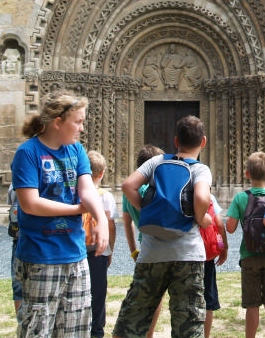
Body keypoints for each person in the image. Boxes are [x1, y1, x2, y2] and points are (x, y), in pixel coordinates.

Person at [12, 91, 109, 338]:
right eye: (78, 122)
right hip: (41, 256)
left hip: (75, 255)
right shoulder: (28, 152)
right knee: (37, 330)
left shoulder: (76, 151)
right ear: (58, 122)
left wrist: (100, 219)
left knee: (76, 330)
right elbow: (30, 203)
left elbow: (87, 190)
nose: (82, 128)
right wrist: (76, 210)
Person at [112, 115, 211, 338]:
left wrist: (146, 209)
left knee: (131, 320)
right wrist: (201, 217)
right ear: (203, 142)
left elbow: (127, 185)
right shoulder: (200, 169)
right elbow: (202, 197)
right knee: (188, 324)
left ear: (176, 141)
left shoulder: (157, 161)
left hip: (152, 253)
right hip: (187, 253)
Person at [226, 152, 265, 338]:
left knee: (252, 305)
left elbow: (230, 228)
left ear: (247, 174)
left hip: (249, 256)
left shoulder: (240, 198)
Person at [121, 145, 165, 338]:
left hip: (144, 246)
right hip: (165, 245)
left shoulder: (131, 191)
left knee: (144, 293)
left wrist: (133, 250)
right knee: (159, 295)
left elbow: (127, 222)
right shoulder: (157, 190)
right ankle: (149, 333)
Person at [85, 151, 118, 338]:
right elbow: (111, 226)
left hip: (78, 249)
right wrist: (110, 249)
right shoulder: (106, 196)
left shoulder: (76, 194)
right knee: (97, 292)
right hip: (99, 250)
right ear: (102, 173)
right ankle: (96, 330)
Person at [203, 192, 228, 338]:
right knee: (208, 297)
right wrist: (223, 247)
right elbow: (219, 224)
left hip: (184, 254)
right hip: (205, 254)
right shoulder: (208, 196)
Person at [7, 184, 23, 315]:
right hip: (23, 238)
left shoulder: (14, 184)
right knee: (19, 285)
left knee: (19, 285)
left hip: (18, 238)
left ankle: (21, 321)